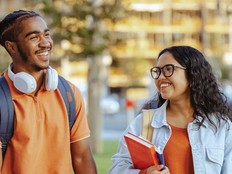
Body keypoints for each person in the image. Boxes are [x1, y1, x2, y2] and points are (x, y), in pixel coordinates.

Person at [0, 10, 97, 174]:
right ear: (12, 47)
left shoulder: (69, 94)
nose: (45, 43)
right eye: (34, 37)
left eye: (46, 35)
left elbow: (82, 158)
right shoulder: (2, 98)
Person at [109, 45, 232, 174]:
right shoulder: (143, 124)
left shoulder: (222, 127)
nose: (160, 77)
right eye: (158, 71)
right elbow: (116, 169)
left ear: (192, 74)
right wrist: (143, 173)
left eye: (168, 69)